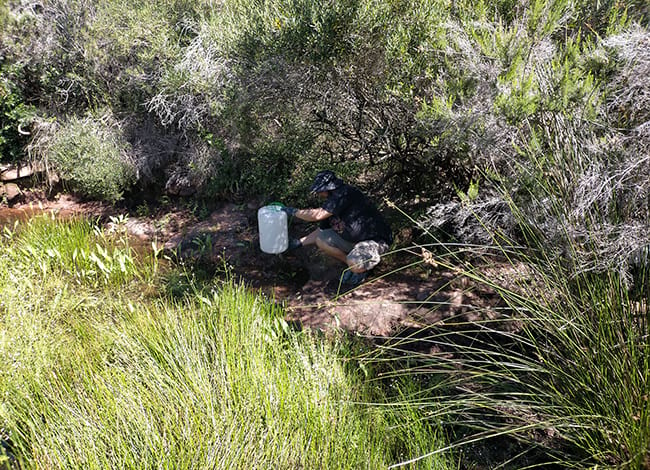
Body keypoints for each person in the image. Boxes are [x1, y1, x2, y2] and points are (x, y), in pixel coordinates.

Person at [281, 170, 393, 286]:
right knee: (321, 239)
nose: (319, 193)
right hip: (354, 242)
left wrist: (293, 212)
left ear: (327, 188)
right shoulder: (331, 204)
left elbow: (316, 215)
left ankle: (362, 267)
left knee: (355, 262)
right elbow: (321, 231)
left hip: (375, 241)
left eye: (320, 190)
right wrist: (298, 243)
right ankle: (352, 267)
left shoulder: (345, 194)